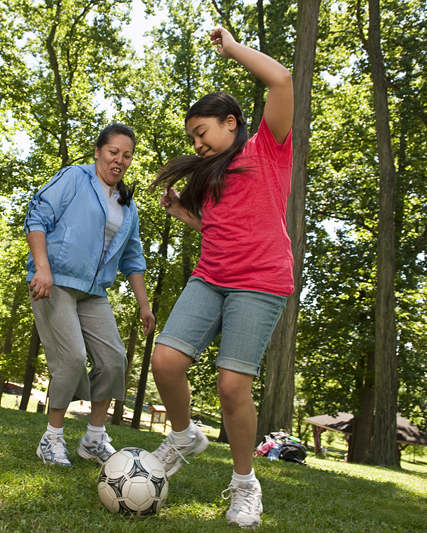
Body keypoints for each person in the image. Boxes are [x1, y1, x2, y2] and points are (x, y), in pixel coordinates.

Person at [149, 27, 294, 528]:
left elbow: (281, 79)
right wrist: (182, 216)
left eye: (202, 132)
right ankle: (184, 434)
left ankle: (244, 483)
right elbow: (218, 227)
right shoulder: (210, 175)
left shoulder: (267, 149)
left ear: (232, 123)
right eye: (192, 137)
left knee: (232, 385)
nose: (197, 143)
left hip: (259, 283)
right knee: (165, 361)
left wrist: (231, 49)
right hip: (211, 277)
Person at [25, 123, 155, 467]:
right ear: (98, 151)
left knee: (114, 360)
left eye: (127, 156)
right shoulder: (74, 177)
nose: (120, 161)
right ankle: (51, 439)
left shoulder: (127, 204)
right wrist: (42, 268)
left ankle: (94, 439)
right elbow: (38, 217)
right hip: (55, 282)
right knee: (71, 358)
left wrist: (144, 305)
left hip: (94, 292)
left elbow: (133, 257)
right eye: (113, 152)